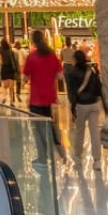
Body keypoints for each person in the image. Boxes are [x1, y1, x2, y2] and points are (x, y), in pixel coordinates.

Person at [22, 29, 64, 166]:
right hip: (51, 98)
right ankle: (59, 151)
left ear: (33, 41)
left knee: (38, 130)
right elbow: (60, 76)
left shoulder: (31, 57)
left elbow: (25, 78)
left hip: (36, 99)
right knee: (52, 126)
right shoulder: (52, 55)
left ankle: (42, 157)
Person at [64, 49, 106, 170]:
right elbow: (99, 89)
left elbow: (72, 93)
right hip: (93, 105)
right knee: (94, 133)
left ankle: (77, 156)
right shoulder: (91, 71)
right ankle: (97, 160)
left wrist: (73, 109)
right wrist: (105, 107)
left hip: (81, 105)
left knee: (79, 132)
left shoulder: (72, 73)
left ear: (75, 60)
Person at [0, 38, 21, 105]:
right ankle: (11, 101)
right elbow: (14, 60)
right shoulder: (10, 50)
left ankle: (4, 97)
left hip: (4, 68)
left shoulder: (0, 51)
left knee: (5, 86)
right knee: (11, 87)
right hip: (11, 68)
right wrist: (17, 69)